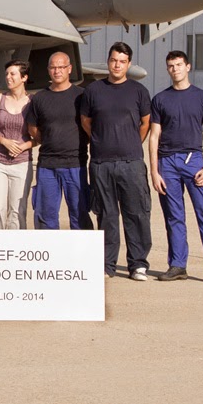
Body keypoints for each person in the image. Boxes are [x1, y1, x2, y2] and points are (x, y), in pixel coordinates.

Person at [149, 51, 203, 285]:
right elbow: (154, 136)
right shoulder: (160, 99)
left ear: (188, 67)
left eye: (179, 65)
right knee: (174, 216)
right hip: (167, 163)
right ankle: (178, 265)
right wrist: (154, 171)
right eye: (170, 66)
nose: (175, 69)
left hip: (194, 161)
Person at [80, 42, 152, 281]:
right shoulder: (94, 90)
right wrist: (102, 140)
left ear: (128, 64)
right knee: (106, 215)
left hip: (131, 162)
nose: (117, 65)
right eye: (113, 60)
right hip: (101, 163)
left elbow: (145, 124)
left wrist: (129, 142)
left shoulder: (138, 91)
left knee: (136, 213)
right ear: (108, 62)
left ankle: (138, 264)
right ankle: (107, 265)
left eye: (122, 61)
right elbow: (86, 122)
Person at [26, 52, 93, 230]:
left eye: (61, 67)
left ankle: (81, 257)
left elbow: (89, 125)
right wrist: (50, 140)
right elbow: (33, 129)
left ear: (69, 69)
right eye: (53, 67)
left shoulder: (82, 96)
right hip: (47, 165)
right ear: (48, 70)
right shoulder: (39, 98)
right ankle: (50, 256)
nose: (57, 71)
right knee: (45, 217)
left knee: (79, 214)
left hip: (75, 164)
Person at [0, 60, 34, 230]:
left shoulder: (32, 102)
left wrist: (24, 146)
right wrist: (4, 141)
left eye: (13, 74)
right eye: (7, 74)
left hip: (21, 163)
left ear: (24, 77)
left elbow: (39, 136)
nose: (8, 77)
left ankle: (15, 250)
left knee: (17, 212)